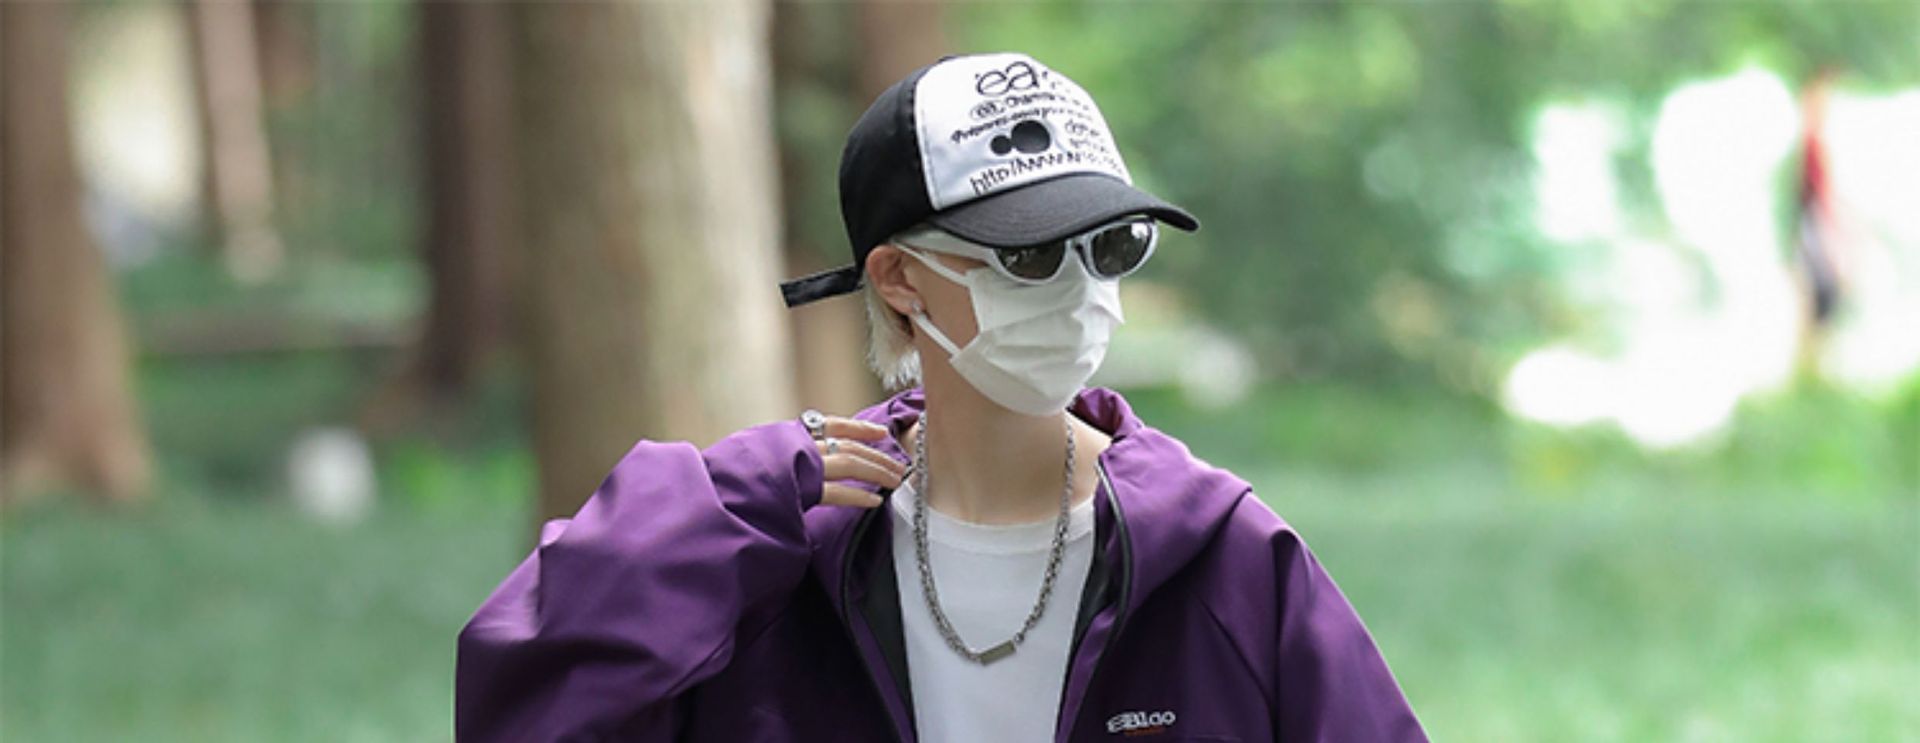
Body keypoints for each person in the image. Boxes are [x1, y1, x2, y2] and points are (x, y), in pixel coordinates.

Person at [456, 52, 1425, 742]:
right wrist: (707, 510)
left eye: (1111, 243)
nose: (1082, 290)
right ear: (898, 279)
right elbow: (524, 706)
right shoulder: (776, 554)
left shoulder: (1220, 553)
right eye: (1029, 254)